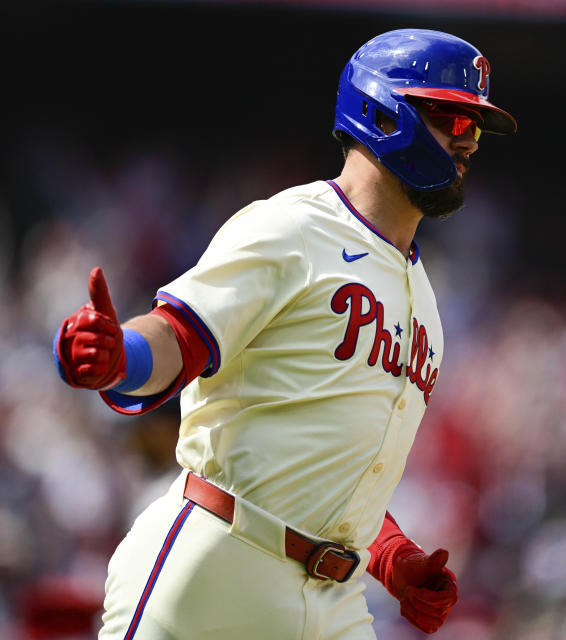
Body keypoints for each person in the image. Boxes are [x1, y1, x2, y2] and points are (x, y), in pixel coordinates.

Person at [53, 28, 516, 639]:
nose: (469, 143)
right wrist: (123, 357)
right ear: (383, 111)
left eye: (475, 128)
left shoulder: (425, 294)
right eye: (452, 119)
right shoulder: (293, 226)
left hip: (335, 601)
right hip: (221, 560)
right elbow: (179, 335)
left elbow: (326, 463)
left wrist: (392, 556)